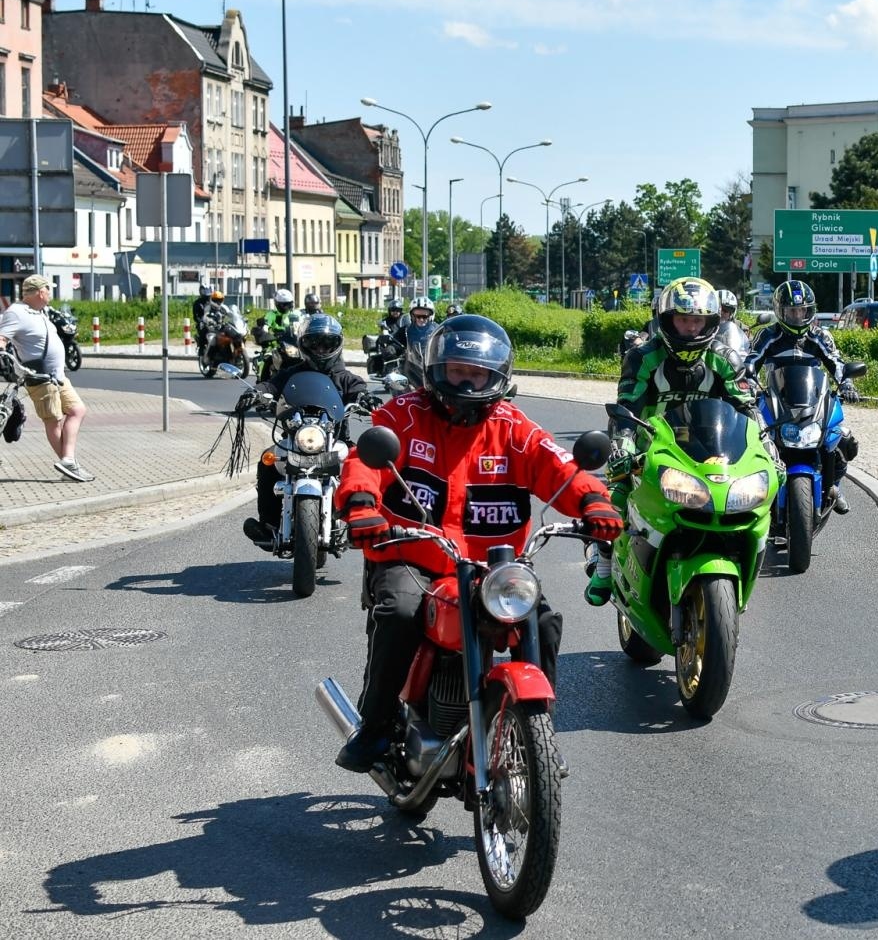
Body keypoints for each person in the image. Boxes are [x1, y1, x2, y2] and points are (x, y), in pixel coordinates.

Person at [331, 314, 623, 772]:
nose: (467, 380)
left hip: (494, 569)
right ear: (436, 370)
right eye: (457, 370)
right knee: (401, 613)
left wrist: (594, 503)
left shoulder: (514, 428)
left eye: (477, 372)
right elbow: (363, 462)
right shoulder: (403, 416)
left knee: (542, 621)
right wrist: (363, 504)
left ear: (497, 376)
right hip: (415, 558)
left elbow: (559, 467)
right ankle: (377, 724)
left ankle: (537, 734)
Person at [589, 276, 760, 604]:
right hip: (650, 440)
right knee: (615, 494)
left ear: (710, 322)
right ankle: (605, 563)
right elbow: (626, 407)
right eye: (683, 320)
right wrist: (621, 444)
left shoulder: (724, 358)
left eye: (697, 321)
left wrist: (767, 449)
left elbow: (747, 411)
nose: (690, 329)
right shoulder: (643, 357)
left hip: (709, 447)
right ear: (667, 320)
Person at [240, 312, 375, 546]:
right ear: (304, 344)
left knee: (361, 464)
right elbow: (271, 384)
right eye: (315, 343)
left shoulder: (345, 377)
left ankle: (359, 523)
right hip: (295, 440)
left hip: (335, 441)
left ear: (337, 345)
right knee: (267, 460)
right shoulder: (293, 373)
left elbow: (359, 389)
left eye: (328, 344)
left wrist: (366, 398)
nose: (322, 349)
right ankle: (268, 524)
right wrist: (256, 392)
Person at [745, 278, 860, 514]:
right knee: (750, 440)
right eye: (792, 311)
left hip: (813, 401)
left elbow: (836, 363)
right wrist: (747, 382)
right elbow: (750, 363)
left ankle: (834, 487)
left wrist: (847, 382)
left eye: (802, 310)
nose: (798, 316)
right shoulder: (768, 336)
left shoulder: (821, 336)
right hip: (777, 402)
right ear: (780, 311)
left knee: (843, 441)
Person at [0, 275, 93, 481]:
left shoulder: (40, 311)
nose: (50, 294)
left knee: (77, 410)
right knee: (53, 420)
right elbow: (2, 338)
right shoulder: (16, 312)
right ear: (40, 292)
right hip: (39, 376)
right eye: (48, 290)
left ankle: (68, 462)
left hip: (57, 376)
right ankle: (69, 464)